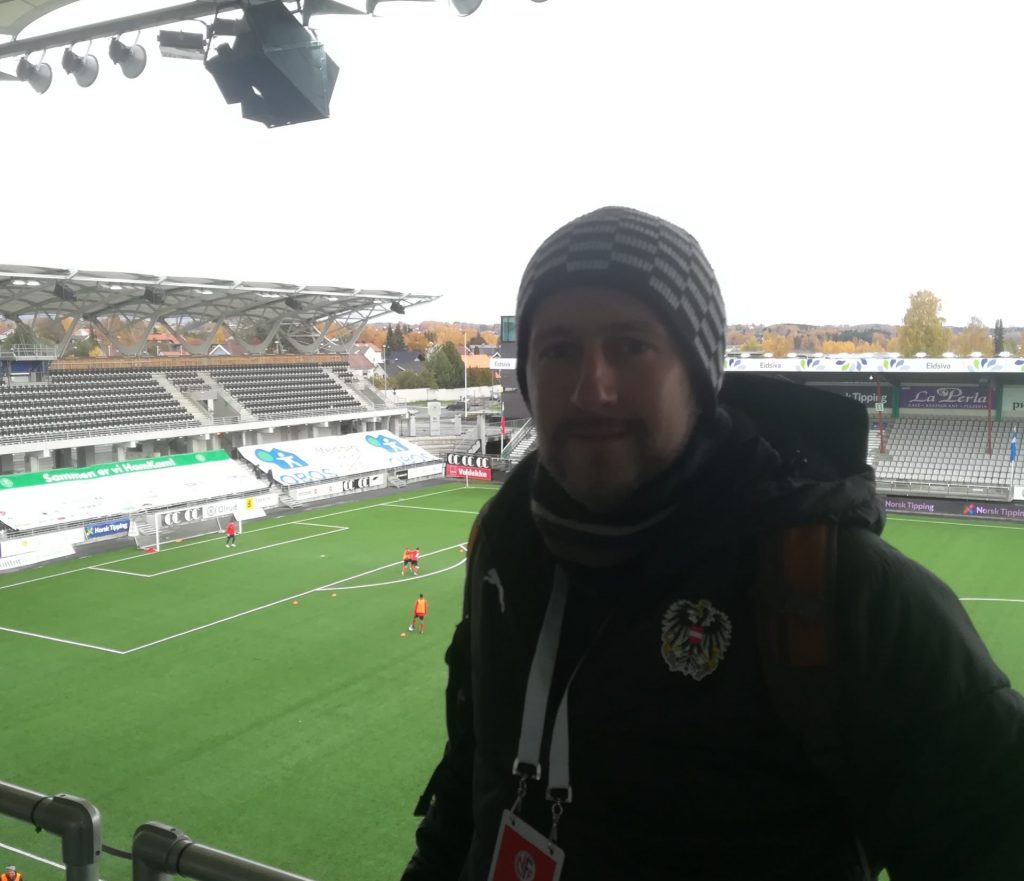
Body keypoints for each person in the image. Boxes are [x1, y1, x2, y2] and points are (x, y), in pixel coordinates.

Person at [401, 207, 1024, 880]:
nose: (592, 387)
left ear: (700, 376)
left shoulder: (836, 589)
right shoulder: (505, 543)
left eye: (631, 345)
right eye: (558, 350)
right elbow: (470, 790)